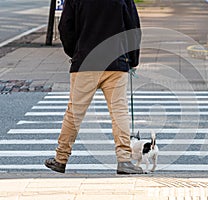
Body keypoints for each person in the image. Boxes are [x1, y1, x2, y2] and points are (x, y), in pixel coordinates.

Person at [44, 0, 143, 174]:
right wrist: (132, 59)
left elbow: (65, 28)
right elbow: (133, 28)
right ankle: (124, 160)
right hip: (116, 62)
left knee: (74, 112)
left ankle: (61, 159)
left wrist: (76, 52)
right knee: (119, 111)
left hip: (85, 62)